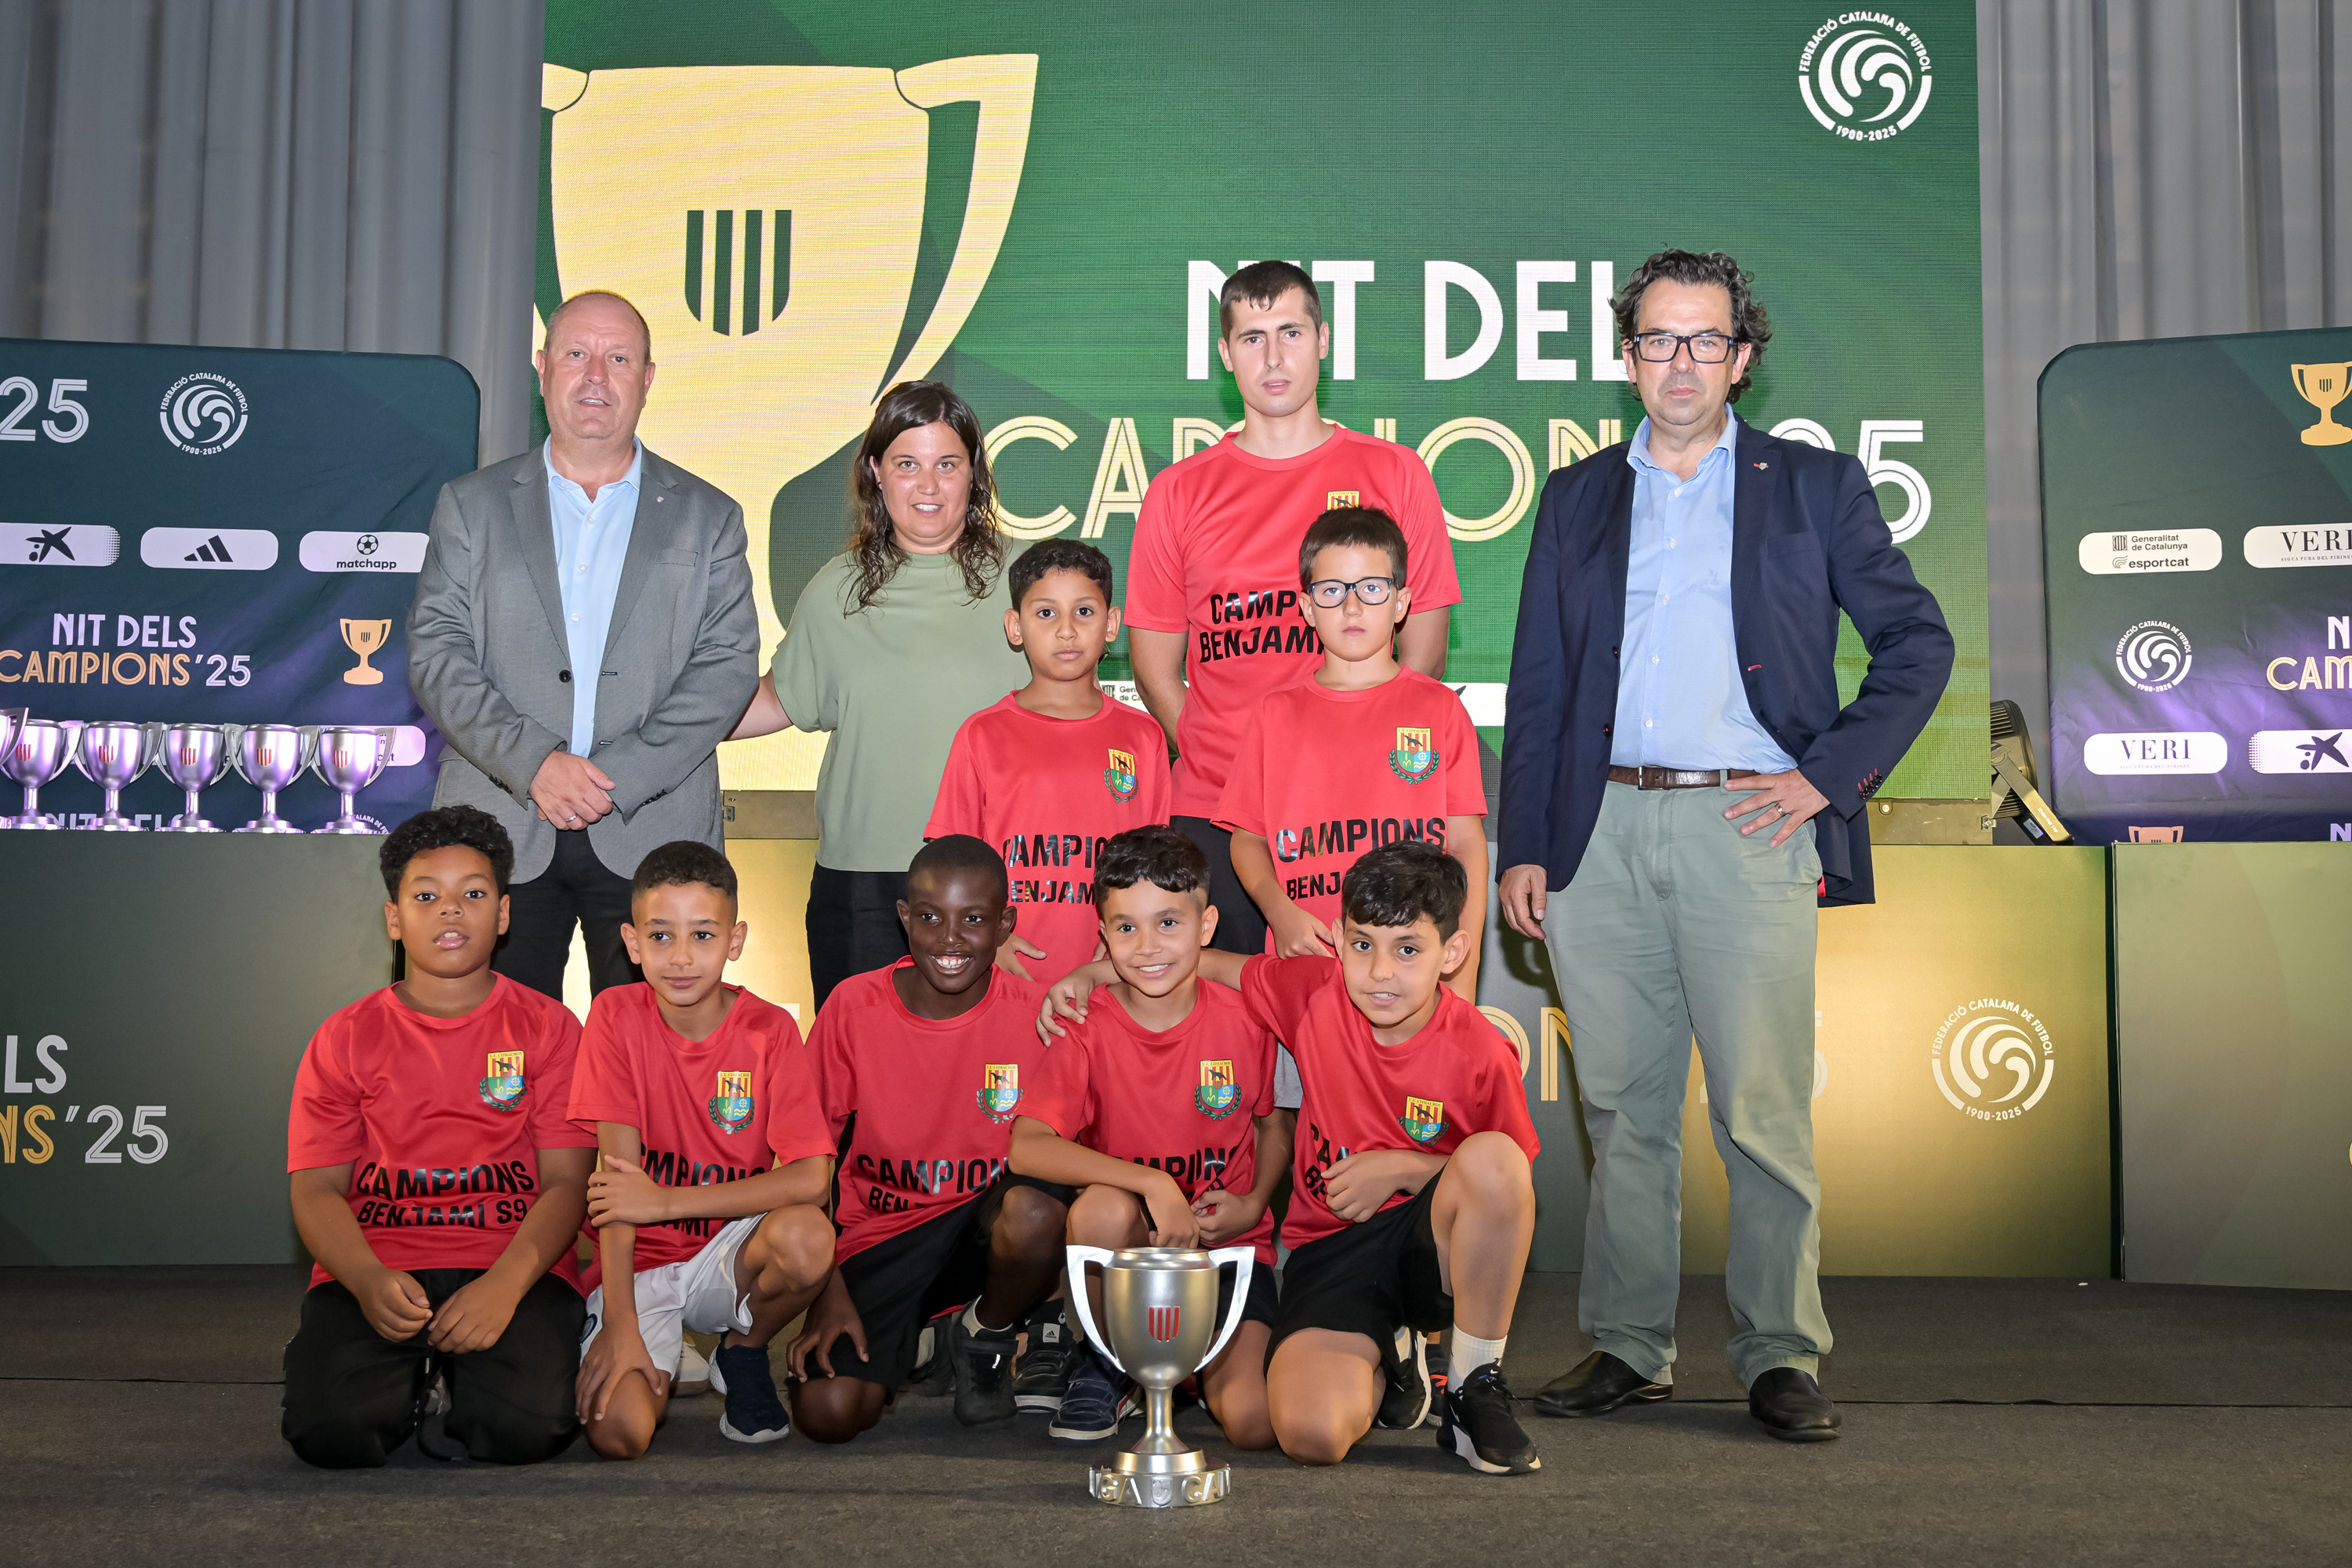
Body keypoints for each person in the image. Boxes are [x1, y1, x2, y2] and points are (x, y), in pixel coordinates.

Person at [1497, 249, 1954, 1443]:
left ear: (1743, 357)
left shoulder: (1815, 486)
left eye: (1706, 339)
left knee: (1761, 1113)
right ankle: (1628, 1344)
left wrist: (1824, 778)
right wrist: (1526, 842)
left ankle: (1780, 1352)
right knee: (1623, 1113)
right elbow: (1539, 686)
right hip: (1597, 830)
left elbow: (1919, 644)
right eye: (1659, 339)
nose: (1683, 362)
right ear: (1628, 357)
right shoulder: (1577, 497)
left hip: (1750, 824)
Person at [1044, 840, 1541, 1475]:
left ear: (1453, 952)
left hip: (1429, 1246)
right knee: (1310, 1435)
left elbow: (1505, 1184)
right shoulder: (1311, 991)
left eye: (1407, 950)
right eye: (1362, 945)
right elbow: (1200, 960)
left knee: (1495, 1158)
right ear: (1337, 939)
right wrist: (1093, 975)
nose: (1380, 972)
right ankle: (1391, 1356)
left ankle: (1474, 1389)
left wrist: (1404, 1167)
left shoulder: (1480, 1049)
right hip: (1332, 1252)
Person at [408, 290, 760, 1001]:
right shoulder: (470, 506)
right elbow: (437, 653)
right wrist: (535, 762)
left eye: (619, 359)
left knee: (651, 1056)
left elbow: (727, 668)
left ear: (647, 379)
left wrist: (615, 777)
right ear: (542, 368)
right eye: (577, 354)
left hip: (652, 825)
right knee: (493, 1050)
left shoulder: (711, 516)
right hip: (500, 821)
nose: (596, 375)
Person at [1125, 261, 1463, 956]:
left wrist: (1352, 763)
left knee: (1363, 1012)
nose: (1274, 358)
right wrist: (1231, 766)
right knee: (1225, 1016)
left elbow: (1424, 649)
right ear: (1225, 354)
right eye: (1252, 338)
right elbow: (1155, 668)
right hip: (1215, 813)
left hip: (1365, 811)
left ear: (1324, 339)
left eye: (1291, 333)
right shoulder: (1178, 492)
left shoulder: (1395, 473)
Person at [281, 807, 596, 1468]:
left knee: (523, 1433)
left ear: (503, 915)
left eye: (473, 894)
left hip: (513, 1263)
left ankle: (474, 1376)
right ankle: (413, 1380)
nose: (451, 910)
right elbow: (316, 1189)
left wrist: (506, 1284)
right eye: (426, 896)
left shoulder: (550, 1028)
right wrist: (366, 1279)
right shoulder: (344, 1036)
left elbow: (568, 1183)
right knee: (332, 1436)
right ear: (394, 919)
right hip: (382, 1262)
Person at [728, 382, 1033, 1008]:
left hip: (995, 878)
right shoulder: (835, 589)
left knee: (992, 1067)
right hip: (860, 884)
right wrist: (653, 717)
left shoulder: (1030, 580)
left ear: (974, 472)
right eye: (907, 464)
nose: (928, 485)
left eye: (947, 464)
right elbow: (777, 701)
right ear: (875, 472)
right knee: (859, 1066)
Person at [1007, 826, 1290, 1448]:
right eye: (1127, 928)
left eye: (1168, 923)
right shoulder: (1085, 1023)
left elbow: (1273, 1123)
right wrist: (1153, 1184)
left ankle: (1187, 1373)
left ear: (1206, 925)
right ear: (1103, 936)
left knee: (1254, 1425)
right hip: (1134, 1251)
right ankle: (1109, 1363)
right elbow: (1026, 1145)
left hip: (1223, 1253)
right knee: (1102, 1209)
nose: (1148, 946)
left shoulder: (1246, 1017)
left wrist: (1252, 1204)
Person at [786, 836, 1069, 1442]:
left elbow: (1077, 1154)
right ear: (903, 917)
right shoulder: (853, 1008)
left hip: (983, 1233)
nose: (950, 939)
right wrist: (825, 1287)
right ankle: (933, 1337)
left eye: (974, 920)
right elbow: (802, 1160)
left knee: (1036, 1212)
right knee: (829, 1414)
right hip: (882, 1238)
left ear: (1005, 925)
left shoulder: (1038, 1014)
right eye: (931, 918)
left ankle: (986, 1331)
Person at [566, 840, 836, 1458]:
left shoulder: (769, 1029)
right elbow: (617, 1192)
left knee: (807, 1238)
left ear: (735, 941)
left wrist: (666, 1202)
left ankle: (742, 1350)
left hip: (727, 1254)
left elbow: (811, 1180)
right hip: (639, 1263)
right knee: (619, 1433)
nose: (682, 957)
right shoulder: (613, 1016)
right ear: (633, 943)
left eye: (703, 935)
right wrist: (621, 1327)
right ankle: (652, 1342)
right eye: (661, 936)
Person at [1215, 506, 1487, 997]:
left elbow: (1466, 845)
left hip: (1418, 976)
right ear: (1306, 607)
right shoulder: (1275, 713)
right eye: (1332, 591)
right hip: (1310, 970)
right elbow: (1247, 839)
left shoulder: (1439, 708)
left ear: (1401, 602)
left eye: (1372, 588)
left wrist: (1461, 979)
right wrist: (1279, 911)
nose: (1352, 607)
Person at [926, 539, 1173, 989]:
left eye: (1084, 611)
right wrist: (990, 940)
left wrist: (1131, 936)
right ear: (1014, 627)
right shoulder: (982, 734)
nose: (1066, 631)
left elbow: (1154, 867)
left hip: (1113, 977)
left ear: (1112, 624)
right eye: (1045, 613)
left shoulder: (1144, 737)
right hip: (1006, 976)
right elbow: (949, 864)